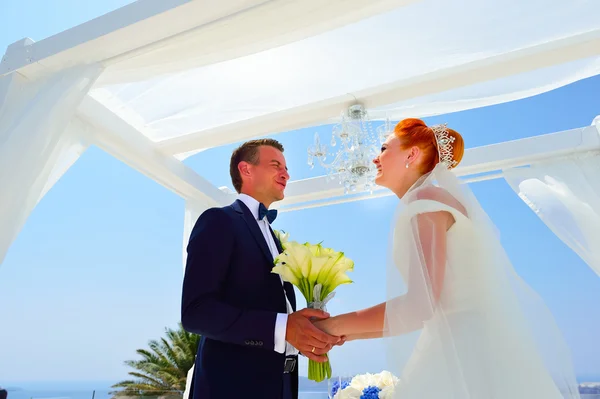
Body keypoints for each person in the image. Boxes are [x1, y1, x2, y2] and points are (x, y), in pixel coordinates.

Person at [315, 119, 581, 398]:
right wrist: (341, 335)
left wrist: (331, 326)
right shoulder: (432, 199)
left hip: (464, 356)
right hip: (470, 346)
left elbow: (419, 307)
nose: (374, 157)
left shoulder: (425, 202)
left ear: (411, 154)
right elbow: (430, 308)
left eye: (383, 148)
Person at [181, 138, 341, 399]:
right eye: (276, 164)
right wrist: (283, 327)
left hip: (281, 387)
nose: (286, 174)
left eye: (287, 168)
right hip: (231, 389)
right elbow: (196, 313)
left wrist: (305, 335)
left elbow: (272, 312)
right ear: (246, 170)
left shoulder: (275, 238)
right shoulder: (218, 221)